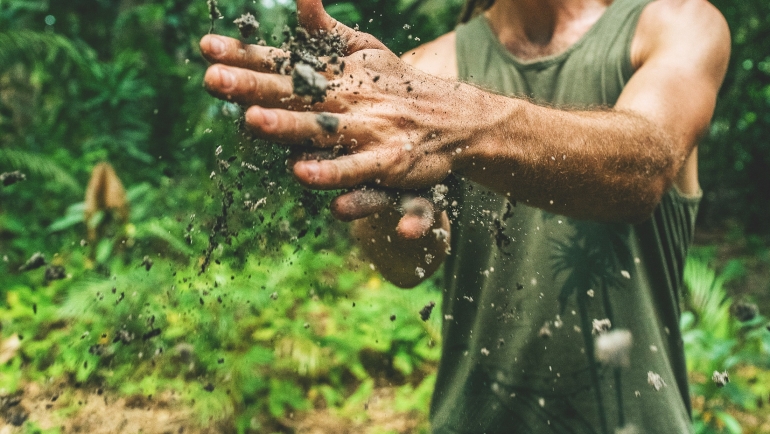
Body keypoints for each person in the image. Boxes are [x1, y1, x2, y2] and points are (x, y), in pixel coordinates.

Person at [200, 0, 729, 431]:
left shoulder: (675, 23)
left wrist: (459, 122)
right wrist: (401, 214)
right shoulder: (425, 70)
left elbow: (643, 168)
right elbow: (406, 266)